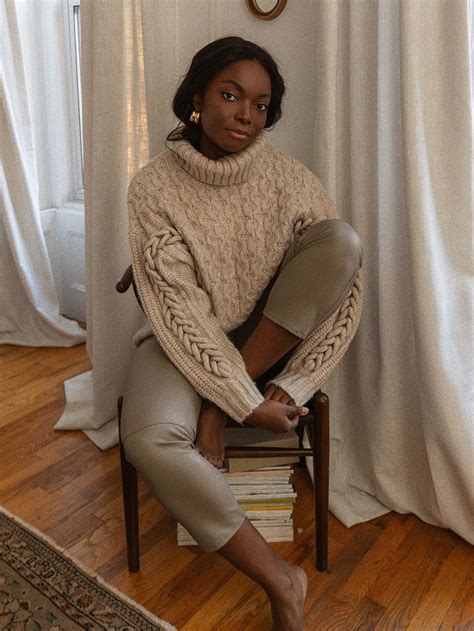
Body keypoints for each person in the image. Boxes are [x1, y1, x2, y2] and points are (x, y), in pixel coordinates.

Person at [122, 36, 363, 631]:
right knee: (149, 439)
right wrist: (242, 401)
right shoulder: (152, 188)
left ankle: (215, 406)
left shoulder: (291, 180)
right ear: (197, 98)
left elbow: (342, 286)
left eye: (260, 104)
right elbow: (181, 310)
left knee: (343, 240)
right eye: (230, 95)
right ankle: (281, 579)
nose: (246, 115)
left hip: (271, 344)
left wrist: (291, 384)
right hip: (182, 341)